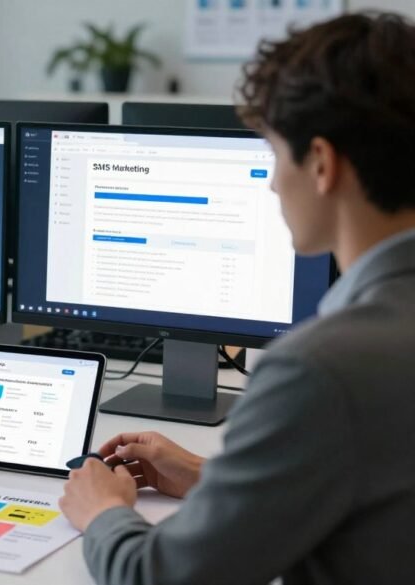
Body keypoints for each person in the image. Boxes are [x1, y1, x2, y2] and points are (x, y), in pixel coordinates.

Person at [59, 12, 415, 585]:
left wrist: (101, 511)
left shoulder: (320, 369)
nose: (273, 182)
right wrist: (212, 475)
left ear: (322, 163)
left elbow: (159, 577)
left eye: (274, 153)